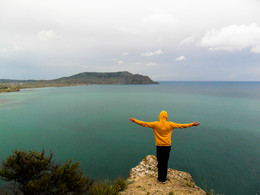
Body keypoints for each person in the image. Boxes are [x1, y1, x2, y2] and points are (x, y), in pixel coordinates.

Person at [129, 110, 200, 183]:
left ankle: (159, 178)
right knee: (165, 162)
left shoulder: (155, 124)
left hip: (159, 146)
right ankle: (163, 179)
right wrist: (192, 124)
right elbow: (182, 126)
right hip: (167, 146)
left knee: (160, 162)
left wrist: (135, 121)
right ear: (166, 117)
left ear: (160, 116)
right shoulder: (170, 124)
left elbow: (144, 124)